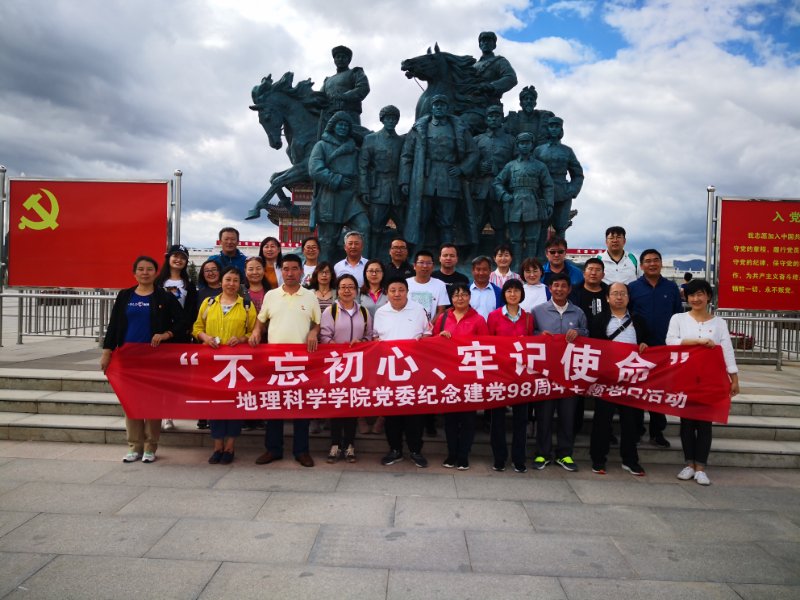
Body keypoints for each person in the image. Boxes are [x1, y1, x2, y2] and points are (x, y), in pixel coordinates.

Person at [101, 256, 187, 464]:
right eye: (141, 269)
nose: (145, 272)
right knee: (131, 403)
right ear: (134, 273)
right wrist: (107, 351)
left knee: (152, 403)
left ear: (156, 273)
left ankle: (150, 446)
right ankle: (134, 446)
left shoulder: (164, 296)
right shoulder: (125, 295)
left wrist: (166, 334)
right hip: (128, 357)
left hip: (153, 359)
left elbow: (183, 321)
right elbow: (114, 325)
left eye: (149, 269)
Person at [249, 254, 321, 468]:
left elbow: (317, 323)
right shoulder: (271, 295)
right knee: (274, 405)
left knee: (300, 406)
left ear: (301, 271)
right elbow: (261, 320)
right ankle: (273, 449)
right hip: (275, 360)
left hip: (301, 362)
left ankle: (302, 451)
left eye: (294, 269)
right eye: (286, 269)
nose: (290, 273)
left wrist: (313, 332)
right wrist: (256, 332)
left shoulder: (310, 296)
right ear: (281, 271)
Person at [667, 279, 739, 486]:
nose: (696, 299)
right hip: (685, 378)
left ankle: (700, 468)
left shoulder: (719, 323)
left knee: (705, 423)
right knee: (687, 423)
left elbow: (727, 351)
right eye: (691, 295)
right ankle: (689, 464)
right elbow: (670, 341)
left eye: (700, 294)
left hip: (710, 380)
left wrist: (734, 378)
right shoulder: (678, 318)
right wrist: (697, 342)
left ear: (708, 296)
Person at [193, 266, 257, 465]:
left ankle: (230, 446)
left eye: (235, 281)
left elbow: (253, 332)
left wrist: (242, 338)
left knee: (234, 405)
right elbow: (197, 327)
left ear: (240, 284)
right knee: (215, 404)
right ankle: (217, 446)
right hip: (212, 363)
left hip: (236, 365)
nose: (231, 284)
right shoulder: (209, 303)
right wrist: (206, 338)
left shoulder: (246, 305)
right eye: (228, 280)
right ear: (221, 282)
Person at [400, 94, 479, 251]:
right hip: (424, 180)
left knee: (447, 222)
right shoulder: (419, 128)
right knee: (421, 219)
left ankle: (447, 256)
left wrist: (462, 168)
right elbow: (406, 156)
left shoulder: (459, 128)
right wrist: (404, 181)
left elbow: (473, 152)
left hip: (449, 181)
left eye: (442, 105)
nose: (439, 107)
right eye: (436, 105)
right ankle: (417, 254)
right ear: (431, 107)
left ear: (447, 108)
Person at [589, 282, 649, 476]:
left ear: (628, 298)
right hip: (607, 377)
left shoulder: (638, 320)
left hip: (631, 379)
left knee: (631, 421)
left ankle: (630, 460)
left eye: (623, 293)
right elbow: (593, 348)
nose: (619, 297)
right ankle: (598, 459)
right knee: (602, 420)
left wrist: (645, 345)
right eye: (615, 293)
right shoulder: (599, 320)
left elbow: (647, 343)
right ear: (607, 298)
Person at [532, 272, 588, 472]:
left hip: (570, 374)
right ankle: (542, 453)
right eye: (555, 285)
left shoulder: (578, 312)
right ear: (550, 288)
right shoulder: (538, 311)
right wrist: (540, 335)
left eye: (563, 286)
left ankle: (565, 454)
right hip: (545, 373)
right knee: (544, 416)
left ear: (569, 289)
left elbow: (587, 336)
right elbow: (530, 335)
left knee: (567, 416)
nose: (559, 289)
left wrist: (578, 333)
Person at [373, 277, 432, 467]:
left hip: (413, 370)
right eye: (393, 290)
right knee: (392, 413)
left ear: (407, 292)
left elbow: (428, 335)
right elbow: (375, 338)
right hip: (389, 370)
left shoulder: (419, 310)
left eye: (401, 290)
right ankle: (395, 450)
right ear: (387, 293)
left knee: (415, 413)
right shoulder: (381, 312)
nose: (397, 294)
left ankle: (415, 450)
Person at [629, 248, 683, 449]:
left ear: (661, 263)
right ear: (642, 265)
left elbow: (678, 316)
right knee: (637, 391)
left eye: (656, 260)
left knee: (659, 391)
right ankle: (636, 430)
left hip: (663, 348)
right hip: (639, 348)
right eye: (648, 261)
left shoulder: (671, 288)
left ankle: (657, 431)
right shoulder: (633, 288)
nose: (652, 264)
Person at [434, 282, 489, 470]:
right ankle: (452, 454)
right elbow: (432, 343)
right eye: (456, 295)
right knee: (450, 419)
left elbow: (485, 346)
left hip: (469, 375)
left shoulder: (478, 320)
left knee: (468, 419)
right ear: (451, 298)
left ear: (469, 297)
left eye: (464, 294)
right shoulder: (443, 318)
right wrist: (440, 337)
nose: (460, 298)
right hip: (448, 375)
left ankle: (464, 455)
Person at [319, 274, 373, 464]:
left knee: (351, 406)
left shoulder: (364, 312)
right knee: (336, 404)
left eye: (351, 287)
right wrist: (336, 347)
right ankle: (335, 444)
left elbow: (369, 335)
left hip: (356, 366)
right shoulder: (330, 311)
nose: (347, 290)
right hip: (335, 365)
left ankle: (350, 445)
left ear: (356, 291)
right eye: (343, 287)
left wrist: (361, 342)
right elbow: (324, 336)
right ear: (338, 290)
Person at [487, 279, 535, 473]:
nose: (513, 294)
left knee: (521, 419)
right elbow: (488, 344)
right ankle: (499, 457)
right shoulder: (494, 316)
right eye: (509, 291)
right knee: (497, 419)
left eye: (516, 291)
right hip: (499, 374)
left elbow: (532, 345)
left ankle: (518, 458)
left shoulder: (529, 318)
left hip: (521, 375)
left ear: (522, 294)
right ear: (504, 294)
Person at [309, 113, 370, 264]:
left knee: (364, 226)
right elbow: (315, 170)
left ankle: (364, 268)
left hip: (351, 197)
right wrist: (337, 179)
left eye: (346, 125)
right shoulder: (321, 146)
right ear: (333, 126)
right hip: (331, 196)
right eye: (340, 124)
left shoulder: (354, 148)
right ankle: (324, 272)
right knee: (327, 240)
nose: (343, 128)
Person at [493, 132, 555, 265]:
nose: (524, 146)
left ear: (532, 145)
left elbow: (548, 186)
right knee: (515, 239)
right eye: (522, 143)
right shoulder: (510, 166)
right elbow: (497, 182)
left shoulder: (540, 166)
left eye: (527, 143)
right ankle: (516, 266)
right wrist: (504, 195)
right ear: (518, 145)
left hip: (533, 204)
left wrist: (549, 204)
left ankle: (530, 266)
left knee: (532, 239)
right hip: (514, 204)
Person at [155, 243, 197, 431]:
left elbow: (191, 311)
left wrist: (183, 329)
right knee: (159, 378)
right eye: (175, 256)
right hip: (159, 337)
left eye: (182, 257)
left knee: (175, 379)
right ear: (168, 258)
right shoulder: (158, 283)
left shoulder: (189, 285)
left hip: (179, 336)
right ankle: (157, 413)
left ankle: (169, 414)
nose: (178, 260)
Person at [570, 257, 610, 435]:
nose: (593, 273)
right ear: (584, 272)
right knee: (578, 391)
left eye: (597, 270)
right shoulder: (574, 291)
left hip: (606, 349)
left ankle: (604, 432)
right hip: (580, 349)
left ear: (603, 273)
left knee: (603, 392)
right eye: (590, 269)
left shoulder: (609, 292)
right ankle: (575, 427)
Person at [359, 105, 406, 257]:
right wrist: (364, 190)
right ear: (382, 120)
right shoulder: (371, 139)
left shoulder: (402, 141)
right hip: (378, 191)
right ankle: (371, 259)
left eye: (394, 118)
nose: (391, 121)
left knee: (404, 227)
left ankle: (404, 259)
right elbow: (363, 166)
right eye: (388, 118)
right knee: (375, 228)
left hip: (397, 191)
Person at [533, 116, 583, 243]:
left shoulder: (567, 151)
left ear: (561, 130)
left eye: (557, 127)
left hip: (562, 192)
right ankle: (540, 254)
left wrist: (572, 190)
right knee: (541, 227)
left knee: (561, 227)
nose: (554, 129)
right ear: (547, 129)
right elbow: (532, 171)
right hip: (543, 193)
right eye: (551, 126)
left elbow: (578, 174)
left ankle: (560, 253)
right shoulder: (538, 150)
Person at [472, 104, 515, 245]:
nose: (494, 119)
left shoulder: (511, 140)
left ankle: (501, 253)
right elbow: (469, 162)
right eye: (490, 116)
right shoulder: (477, 140)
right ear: (486, 119)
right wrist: (479, 167)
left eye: (497, 116)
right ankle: (472, 254)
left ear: (502, 119)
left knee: (500, 225)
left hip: (501, 191)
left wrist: (501, 170)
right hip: (480, 189)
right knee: (476, 224)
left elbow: (517, 165)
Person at [357, 258, 388, 435]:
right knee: (362, 381)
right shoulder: (358, 294)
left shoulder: (389, 292)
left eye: (378, 270)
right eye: (370, 271)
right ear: (365, 273)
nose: (374, 274)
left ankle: (381, 418)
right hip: (364, 343)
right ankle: (361, 417)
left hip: (384, 343)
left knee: (384, 381)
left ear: (383, 274)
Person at [318, 45, 370, 138]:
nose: (340, 59)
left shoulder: (355, 72)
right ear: (334, 60)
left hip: (349, 114)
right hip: (329, 117)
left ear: (348, 60)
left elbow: (363, 88)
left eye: (343, 57)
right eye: (338, 57)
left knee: (354, 139)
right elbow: (319, 98)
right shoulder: (327, 80)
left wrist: (344, 96)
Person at [195, 258, 222, 430]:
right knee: (204, 382)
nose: (211, 273)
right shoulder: (199, 294)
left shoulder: (230, 290)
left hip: (227, 346)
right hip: (205, 344)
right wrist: (203, 337)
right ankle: (203, 415)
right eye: (207, 270)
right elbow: (195, 322)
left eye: (214, 269)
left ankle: (219, 415)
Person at [473, 31, 518, 106]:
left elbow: (511, 78)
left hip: (489, 103)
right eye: (483, 41)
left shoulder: (500, 61)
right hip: (471, 102)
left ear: (494, 45)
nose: (486, 43)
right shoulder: (473, 66)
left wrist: (492, 86)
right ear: (479, 45)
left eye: (489, 41)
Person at [406, 250, 449, 323]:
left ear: (433, 266)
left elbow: (441, 311)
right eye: (421, 262)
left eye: (429, 263)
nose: (425, 266)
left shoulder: (440, 285)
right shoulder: (406, 283)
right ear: (414, 266)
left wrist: (429, 327)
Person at [469, 255, 503, 320]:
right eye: (478, 269)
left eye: (485, 269)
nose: (481, 273)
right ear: (472, 271)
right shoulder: (465, 291)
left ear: (490, 271)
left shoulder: (498, 292)